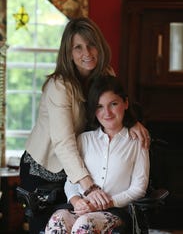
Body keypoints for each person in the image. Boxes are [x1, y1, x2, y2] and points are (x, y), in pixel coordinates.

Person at [19, 17, 150, 233]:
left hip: (79, 162)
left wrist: (133, 121)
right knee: (51, 225)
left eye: (91, 45)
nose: (86, 53)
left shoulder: (105, 73)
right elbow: (63, 142)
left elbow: (115, 102)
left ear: (100, 46)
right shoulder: (58, 86)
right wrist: (89, 187)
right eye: (77, 47)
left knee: (82, 224)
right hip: (45, 166)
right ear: (68, 53)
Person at [45, 75, 150, 233]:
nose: (106, 112)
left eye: (113, 104)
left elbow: (139, 188)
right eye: (99, 106)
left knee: (84, 224)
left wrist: (107, 203)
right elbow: (72, 181)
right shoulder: (84, 139)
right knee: (57, 220)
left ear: (126, 103)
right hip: (81, 208)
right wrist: (76, 201)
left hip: (114, 211)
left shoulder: (137, 141)